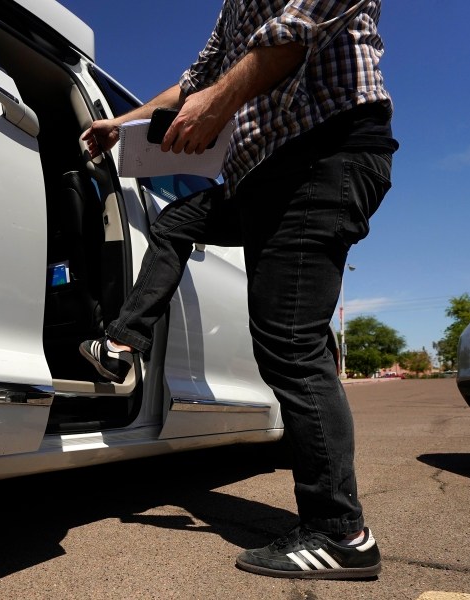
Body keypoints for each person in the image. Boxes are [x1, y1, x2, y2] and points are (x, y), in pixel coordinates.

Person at [78, 0, 398, 579]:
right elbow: (194, 82)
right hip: (260, 179)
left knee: (289, 343)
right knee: (178, 220)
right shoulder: (233, 8)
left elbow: (300, 26)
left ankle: (340, 531)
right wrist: (122, 124)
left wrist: (219, 101)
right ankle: (125, 342)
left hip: (321, 154)